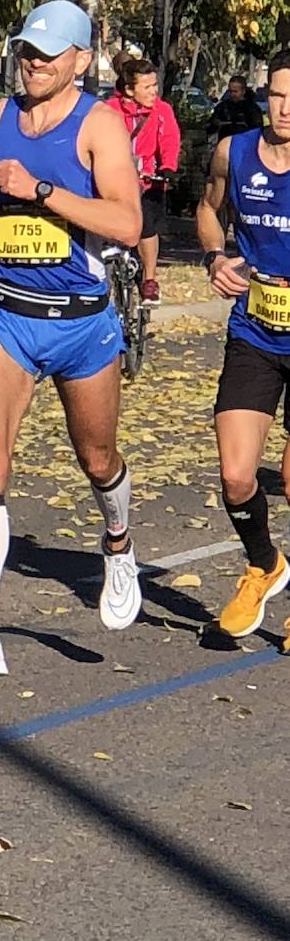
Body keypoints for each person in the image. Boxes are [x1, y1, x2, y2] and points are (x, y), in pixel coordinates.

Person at [0, 0, 145, 679]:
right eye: (26, 50)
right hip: (4, 314)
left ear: (81, 61)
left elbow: (124, 220)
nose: (32, 64)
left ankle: (117, 542)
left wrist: (43, 189)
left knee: (98, 457)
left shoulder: (101, 127)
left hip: (81, 322)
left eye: (48, 54)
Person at [197, 49, 290, 645]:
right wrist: (215, 257)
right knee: (236, 475)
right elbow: (208, 210)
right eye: (279, 95)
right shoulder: (234, 152)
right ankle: (264, 564)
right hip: (255, 331)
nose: (287, 109)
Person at [104, 57, 181, 305]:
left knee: (147, 225)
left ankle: (149, 280)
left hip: (148, 180)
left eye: (155, 86)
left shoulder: (162, 111)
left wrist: (168, 167)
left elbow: (169, 139)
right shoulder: (109, 110)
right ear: (129, 89)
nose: (153, 92)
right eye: (147, 87)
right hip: (115, 180)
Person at [210, 74, 266, 142]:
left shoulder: (252, 109)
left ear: (243, 91)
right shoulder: (222, 107)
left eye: (235, 91)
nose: (232, 94)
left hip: (244, 145)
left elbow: (257, 131)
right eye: (230, 91)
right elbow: (211, 128)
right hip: (225, 145)